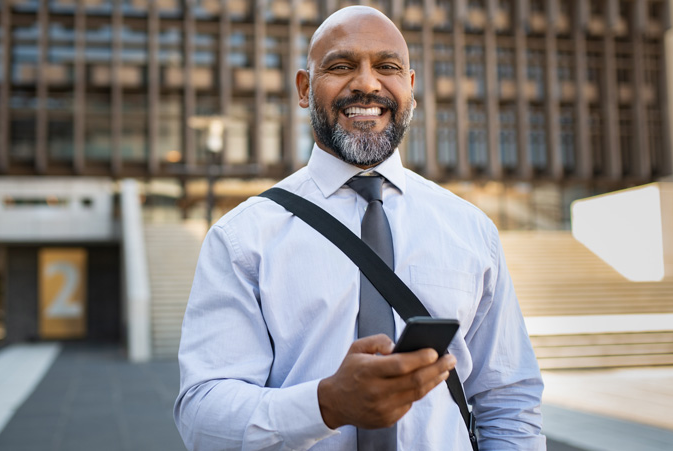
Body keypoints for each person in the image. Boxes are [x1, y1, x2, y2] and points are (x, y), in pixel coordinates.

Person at [174, 6, 546, 450]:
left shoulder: (471, 230)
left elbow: (509, 399)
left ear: (410, 88)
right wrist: (327, 403)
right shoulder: (241, 238)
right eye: (341, 66)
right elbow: (202, 416)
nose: (367, 83)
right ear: (304, 88)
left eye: (387, 67)